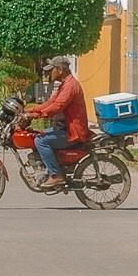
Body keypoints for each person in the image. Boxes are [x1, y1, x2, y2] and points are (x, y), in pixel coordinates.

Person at [21, 56, 88, 192]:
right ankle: (46, 168)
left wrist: (34, 115)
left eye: (52, 70)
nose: (49, 73)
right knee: (37, 135)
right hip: (64, 128)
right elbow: (50, 103)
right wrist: (29, 110)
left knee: (41, 141)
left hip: (71, 132)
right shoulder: (65, 85)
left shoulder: (70, 86)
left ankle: (56, 175)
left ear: (60, 70)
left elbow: (56, 107)